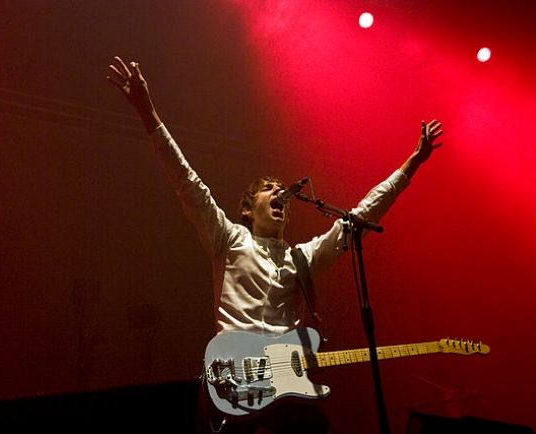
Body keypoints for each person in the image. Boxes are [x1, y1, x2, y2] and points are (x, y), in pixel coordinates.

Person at [107, 56, 442, 434]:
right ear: (248, 208)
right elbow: (187, 183)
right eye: (269, 190)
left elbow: (360, 216)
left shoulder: (301, 257)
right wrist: (148, 113)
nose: (279, 193)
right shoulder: (228, 237)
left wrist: (410, 166)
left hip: (285, 386)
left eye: (279, 190)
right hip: (234, 378)